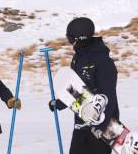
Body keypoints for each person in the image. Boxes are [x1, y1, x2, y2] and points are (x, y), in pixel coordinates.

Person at [49, 17, 120, 154]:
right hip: (82, 122)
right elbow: (78, 90)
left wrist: (102, 126)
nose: (70, 43)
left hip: (104, 126)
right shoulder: (77, 59)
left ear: (80, 38)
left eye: (71, 39)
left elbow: (108, 95)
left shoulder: (103, 61)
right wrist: (60, 103)